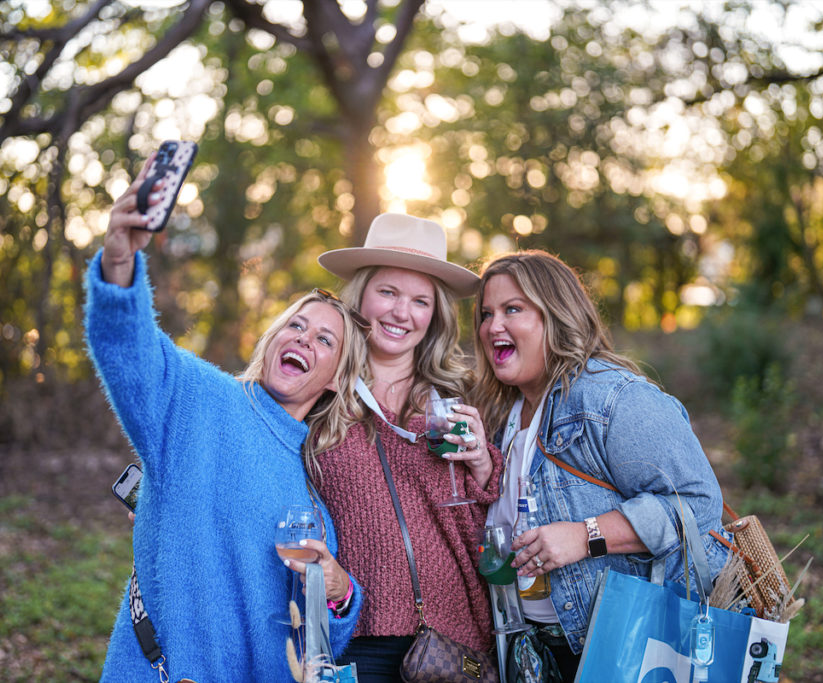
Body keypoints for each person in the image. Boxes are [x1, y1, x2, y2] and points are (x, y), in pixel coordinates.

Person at [86, 156, 369, 682]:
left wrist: (340, 590)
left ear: (335, 378)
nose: (304, 338)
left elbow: (317, 648)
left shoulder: (313, 505)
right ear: (274, 339)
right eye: (296, 325)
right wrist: (119, 264)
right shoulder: (202, 401)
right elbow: (130, 350)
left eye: (324, 340)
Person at [472, 250, 733, 681]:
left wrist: (585, 536)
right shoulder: (503, 414)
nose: (492, 326)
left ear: (555, 315)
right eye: (486, 313)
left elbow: (698, 505)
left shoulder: (610, 398)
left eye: (512, 309)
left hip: (618, 647)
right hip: (530, 647)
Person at [313, 213, 504, 680]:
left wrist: (482, 462)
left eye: (420, 300)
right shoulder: (319, 390)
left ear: (435, 314)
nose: (402, 313)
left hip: (453, 633)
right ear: (361, 298)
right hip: (354, 631)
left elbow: (496, 512)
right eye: (389, 293)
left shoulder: (460, 393)